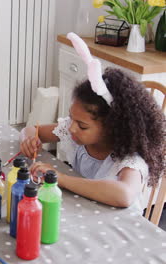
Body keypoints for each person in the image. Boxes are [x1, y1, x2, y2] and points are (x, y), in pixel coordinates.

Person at [20, 33, 165, 212]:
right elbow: (32, 130)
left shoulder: (128, 158)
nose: (71, 127)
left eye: (82, 125)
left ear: (112, 126)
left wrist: (61, 179)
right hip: (88, 210)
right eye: (72, 118)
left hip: (119, 228)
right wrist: (29, 140)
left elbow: (124, 195)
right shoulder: (75, 131)